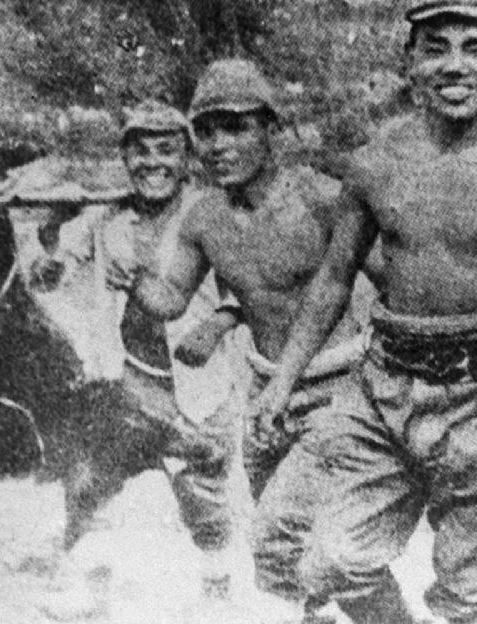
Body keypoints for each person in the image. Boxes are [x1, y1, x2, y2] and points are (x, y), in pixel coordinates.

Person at [248, 2, 477, 622]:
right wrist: (282, 380)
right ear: (410, 61)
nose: (454, 65)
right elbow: (333, 280)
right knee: (329, 560)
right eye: (436, 46)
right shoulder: (376, 160)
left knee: (467, 595)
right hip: (384, 388)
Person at [115, 59, 373, 621]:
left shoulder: (322, 199)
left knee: (278, 539)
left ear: (272, 131)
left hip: (341, 390)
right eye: (206, 131)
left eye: (236, 128)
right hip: (265, 394)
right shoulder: (204, 218)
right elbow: (170, 301)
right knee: (292, 546)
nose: (217, 145)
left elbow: (398, 283)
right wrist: (135, 275)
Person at [28, 99, 243, 619]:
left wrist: (217, 324)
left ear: (187, 157)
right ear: (125, 159)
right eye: (140, 152)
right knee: (89, 480)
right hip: (129, 380)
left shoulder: (214, 213)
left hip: (201, 387)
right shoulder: (107, 217)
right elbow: (46, 272)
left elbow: (251, 287)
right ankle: (90, 593)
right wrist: (51, 242)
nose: (153, 164)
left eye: (166, 151)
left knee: (204, 501)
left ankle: (218, 590)